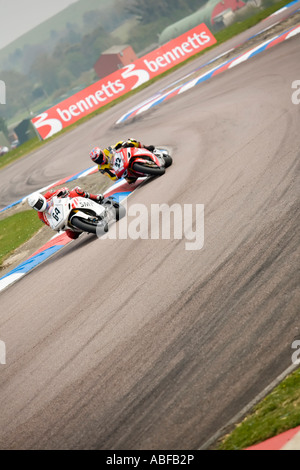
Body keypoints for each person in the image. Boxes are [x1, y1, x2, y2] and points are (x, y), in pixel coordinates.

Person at [27, 186, 104, 239]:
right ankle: (85, 226)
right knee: (71, 235)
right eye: (36, 206)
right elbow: (50, 224)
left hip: (68, 204)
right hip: (63, 218)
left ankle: (95, 197)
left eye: (38, 203)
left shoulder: (48, 194)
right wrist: (56, 227)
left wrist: (63, 192)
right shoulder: (41, 215)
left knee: (76, 191)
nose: (39, 206)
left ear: (41, 198)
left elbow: (62, 190)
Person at [89, 138, 155, 184]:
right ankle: (143, 172)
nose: (100, 160)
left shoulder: (107, 150)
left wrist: (123, 144)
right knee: (130, 181)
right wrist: (117, 176)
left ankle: (146, 147)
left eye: (100, 157)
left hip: (123, 157)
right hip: (121, 169)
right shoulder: (101, 168)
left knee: (131, 142)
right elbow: (111, 176)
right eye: (97, 161)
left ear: (102, 153)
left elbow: (117, 144)